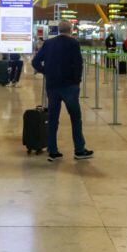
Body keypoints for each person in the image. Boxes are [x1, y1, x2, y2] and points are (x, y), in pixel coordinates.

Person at [31, 20, 93, 162]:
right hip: (69, 86)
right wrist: (77, 81)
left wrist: (45, 71)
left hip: (52, 86)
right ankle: (79, 149)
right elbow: (78, 64)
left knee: (53, 119)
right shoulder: (73, 43)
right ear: (70, 30)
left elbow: (35, 62)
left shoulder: (48, 43)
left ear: (58, 30)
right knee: (75, 118)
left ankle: (53, 151)